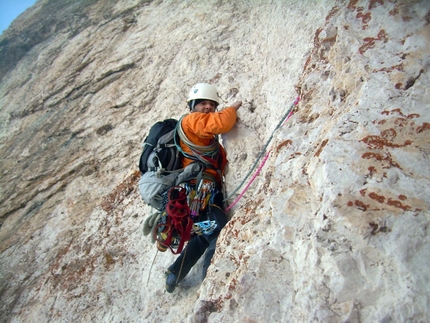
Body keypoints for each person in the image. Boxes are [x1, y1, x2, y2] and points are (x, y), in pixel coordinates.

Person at [165, 83, 242, 293]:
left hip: (199, 188)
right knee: (218, 230)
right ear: (192, 106)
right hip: (201, 188)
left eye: (211, 104)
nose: (208, 107)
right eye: (202, 104)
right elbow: (222, 122)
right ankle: (211, 280)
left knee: (205, 231)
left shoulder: (203, 134)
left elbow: (219, 159)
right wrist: (234, 107)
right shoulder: (193, 120)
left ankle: (174, 273)